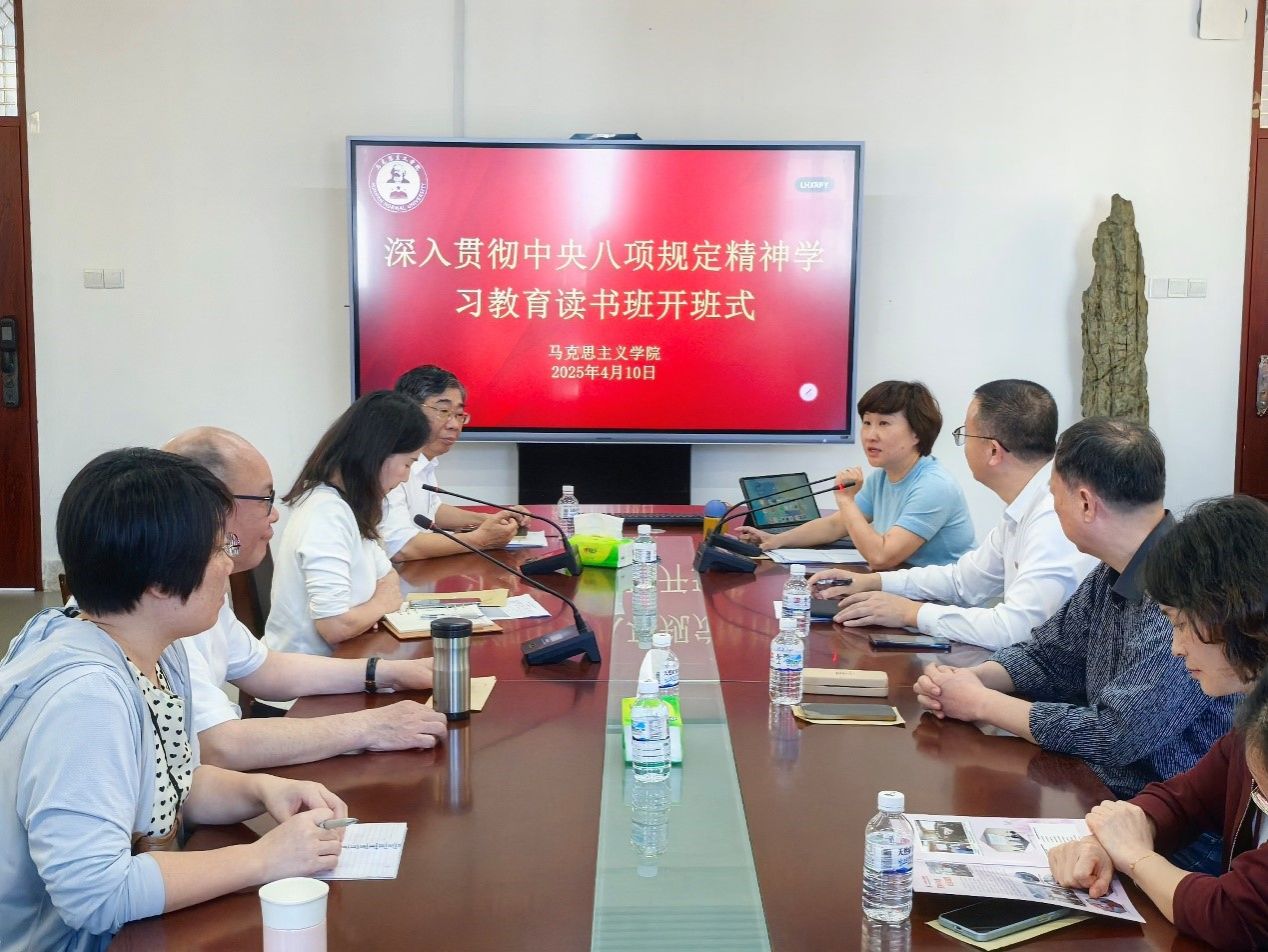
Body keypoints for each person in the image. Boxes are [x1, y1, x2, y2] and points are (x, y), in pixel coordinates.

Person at [0, 449, 347, 952]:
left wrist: (262, 791)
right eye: (219, 548)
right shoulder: (86, 699)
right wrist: (265, 858)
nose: (229, 564)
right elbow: (96, 896)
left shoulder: (155, 649)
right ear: (160, 582)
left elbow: (169, 784)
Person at [913, 418, 1235, 799]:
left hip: (1167, 818)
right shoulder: (1112, 571)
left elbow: (1116, 735)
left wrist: (981, 703)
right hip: (1103, 794)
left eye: (1054, 495)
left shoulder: (1184, 595)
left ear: (1085, 503)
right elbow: (1049, 655)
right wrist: (968, 680)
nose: (1053, 508)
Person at [1048, 496, 1268, 947]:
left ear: (1233, 611)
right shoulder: (1253, 715)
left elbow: (1234, 913)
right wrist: (1106, 842)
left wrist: (1133, 856)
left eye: (1181, 624)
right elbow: (1186, 799)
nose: (1176, 647)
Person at [163, 427, 448, 770]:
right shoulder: (163, 600)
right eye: (265, 499)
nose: (275, 514)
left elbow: (264, 668)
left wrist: (389, 673)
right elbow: (218, 746)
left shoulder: (202, 582)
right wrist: (370, 727)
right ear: (210, 504)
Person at [811, 379, 1096, 649]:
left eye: (965, 434)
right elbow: (963, 580)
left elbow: (1016, 629)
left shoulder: (1052, 516)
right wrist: (875, 582)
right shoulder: (1026, 505)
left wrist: (910, 613)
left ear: (993, 451)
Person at [734, 380, 974, 569]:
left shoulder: (933, 485)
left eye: (884, 424)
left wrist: (845, 499)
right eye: (867, 423)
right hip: (906, 585)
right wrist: (775, 540)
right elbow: (835, 525)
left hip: (943, 602)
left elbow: (881, 557)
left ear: (917, 434)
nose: (870, 435)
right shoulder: (882, 477)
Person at [265, 390, 427, 660]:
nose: (405, 478)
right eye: (407, 463)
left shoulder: (346, 505)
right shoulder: (327, 513)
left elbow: (387, 576)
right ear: (378, 454)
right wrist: (380, 604)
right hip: (306, 678)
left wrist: (366, 612)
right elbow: (335, 626)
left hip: (341, 661)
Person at [379, 364, 522, 561]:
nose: (454, 425)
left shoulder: (426, 461)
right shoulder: (391, 464)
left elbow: (431, 510)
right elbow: (401, 547)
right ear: (409, 410)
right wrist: (480, 539)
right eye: (444, 411)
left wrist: (490, 520)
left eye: (459, 415)